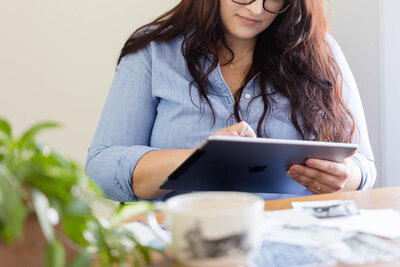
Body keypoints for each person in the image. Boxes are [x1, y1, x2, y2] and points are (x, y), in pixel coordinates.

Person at [86, 0, 376, 202]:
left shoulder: (321, 51)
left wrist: (345, 176)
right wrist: (197, 159)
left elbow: (364, 167)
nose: (256, 9)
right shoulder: (153, 50)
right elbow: (101, 168)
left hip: (291, 239)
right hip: (183, 243)